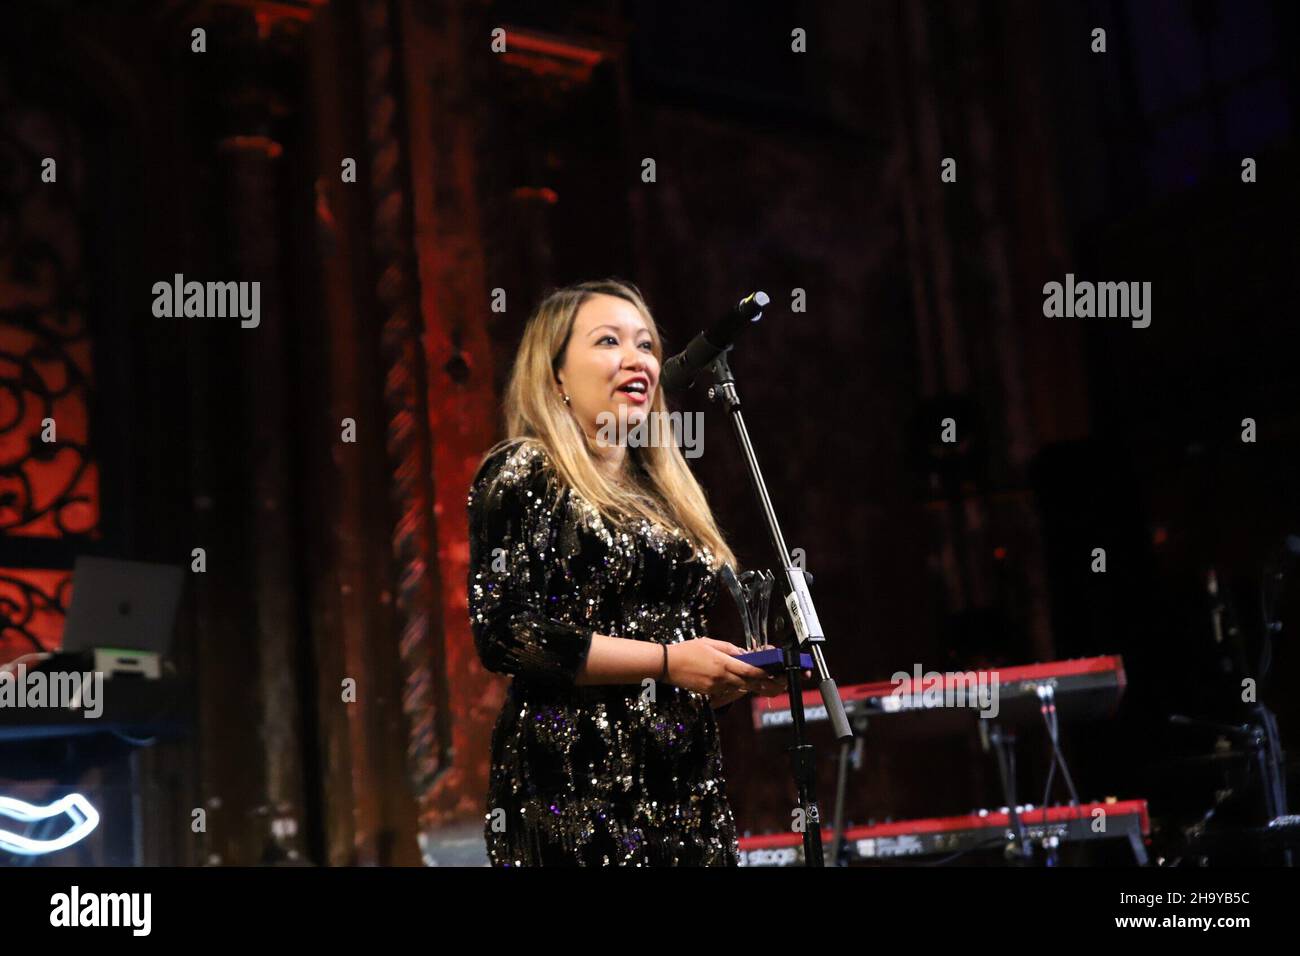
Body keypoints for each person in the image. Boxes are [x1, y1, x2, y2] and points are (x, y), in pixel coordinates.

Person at [468, 278, 791, 866]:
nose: (636, 358)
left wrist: (720, 677)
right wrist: (669, 662)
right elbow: (507, 634)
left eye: (646, 343)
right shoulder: (525, 471)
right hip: (570, 789)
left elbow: (670, 659)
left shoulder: (666, 495)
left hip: (682, 791)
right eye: (608, 341)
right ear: (557, 372)